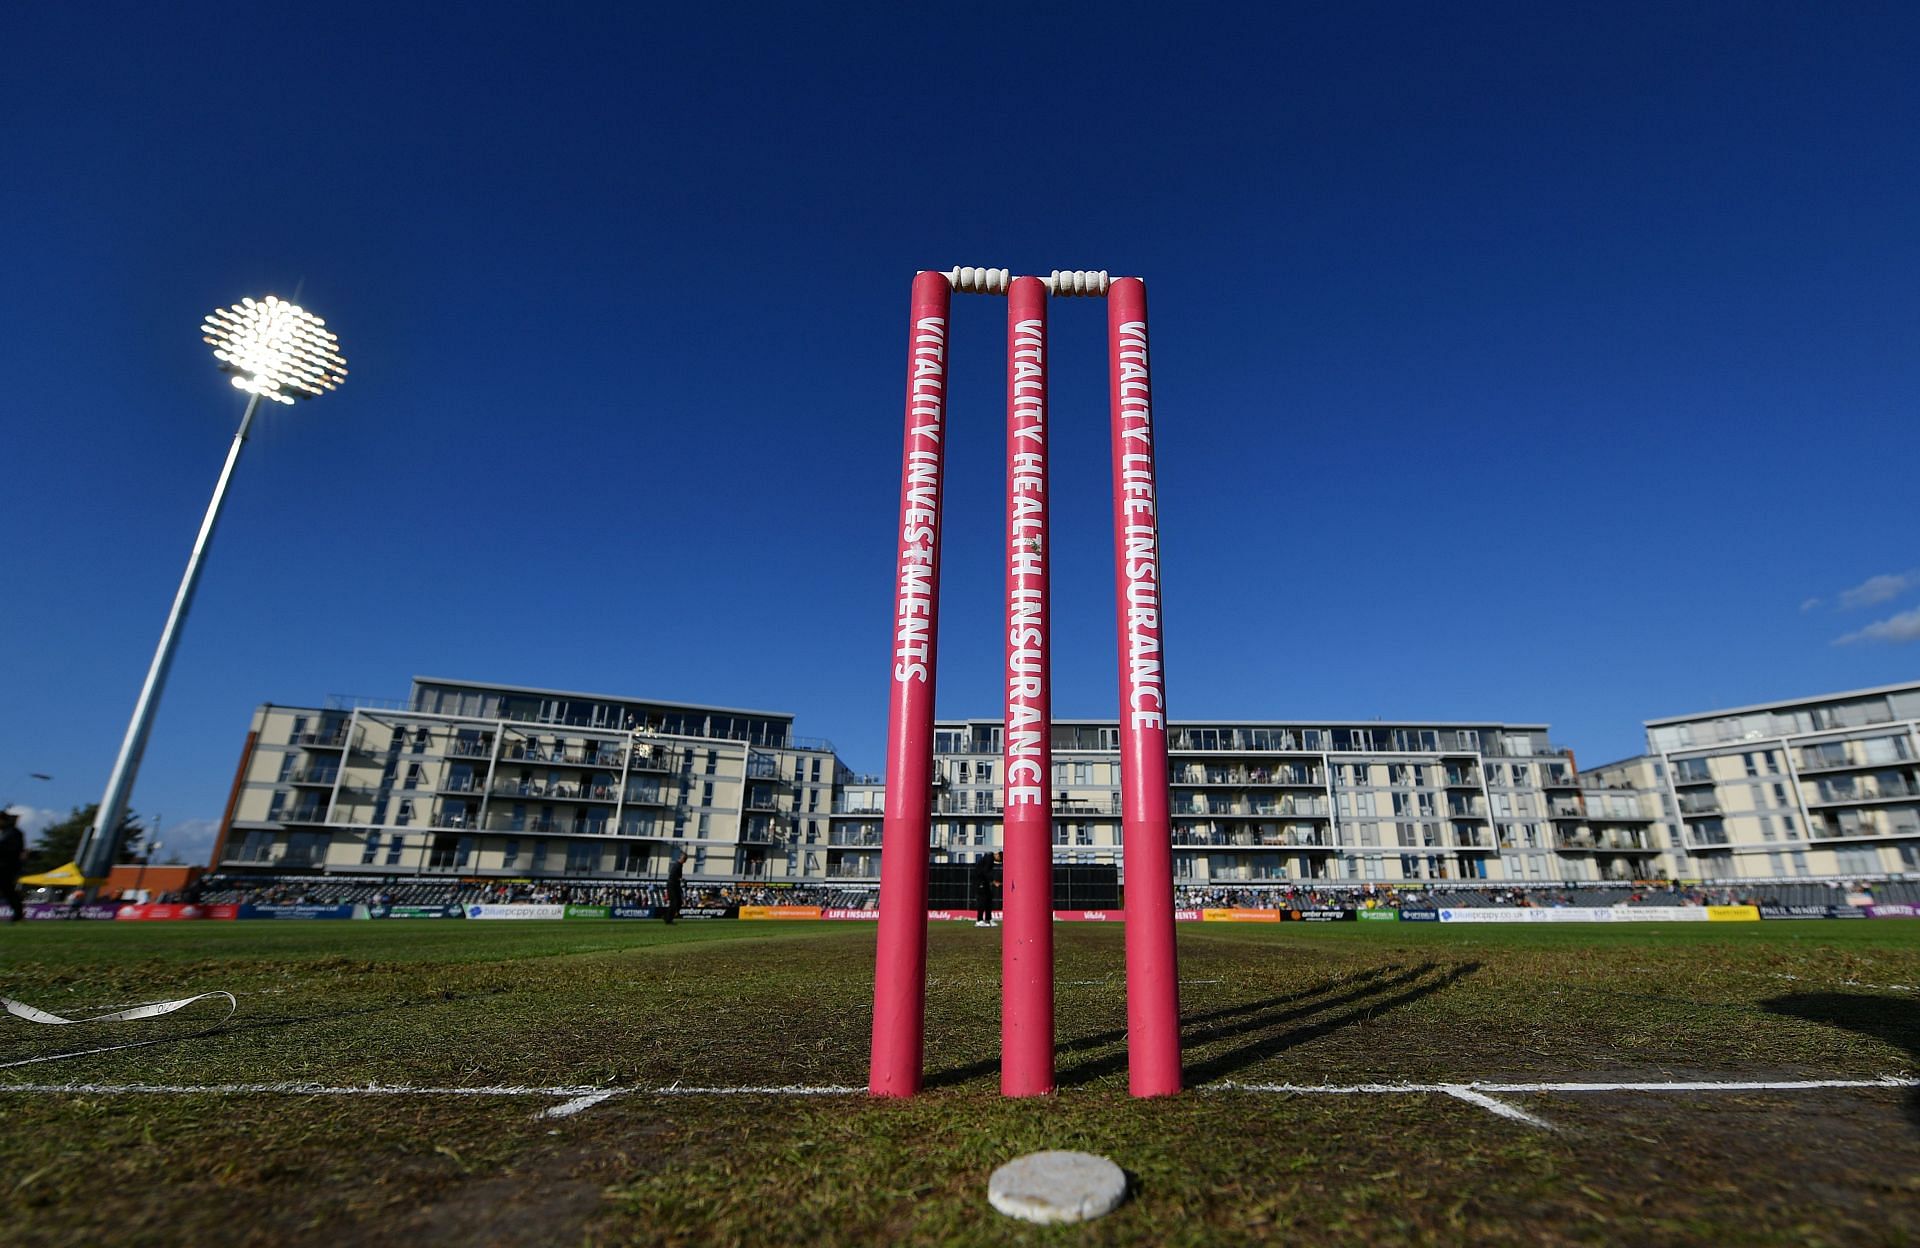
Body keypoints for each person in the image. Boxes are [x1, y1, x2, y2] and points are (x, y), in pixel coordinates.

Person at [0, 811, 25, 923]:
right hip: (6, 866)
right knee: (8, 890)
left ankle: (18, 914)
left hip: (6, 867)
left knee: (8, 890)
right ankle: (18, 914)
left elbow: (11, 850)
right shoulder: (8, 832)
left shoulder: (12, 833)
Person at [972, 849, 1000, 927]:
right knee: (982, 901)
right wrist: (993, 881)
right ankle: (979, 920)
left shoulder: (990, 859)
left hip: (984, 882)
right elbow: (985, 872)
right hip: (980, 882)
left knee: (988, 900)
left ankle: (988, 919)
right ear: (996, 854)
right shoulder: (989, 859)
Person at [664, 849, 686, 924]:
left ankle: (668, 916)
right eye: (684, 859)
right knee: (674, 902)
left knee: (678, 901)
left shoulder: (679, 865)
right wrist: (680, 879)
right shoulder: (677, 866)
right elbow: (673, 876)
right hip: (672, 885)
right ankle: (668, 919)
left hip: (675, 885)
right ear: (681, 858)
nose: (685, 861)